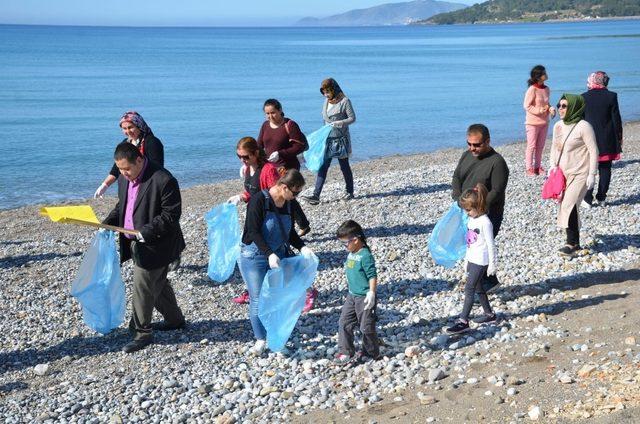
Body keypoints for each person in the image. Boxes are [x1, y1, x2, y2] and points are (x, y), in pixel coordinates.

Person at [103, 142, 186, 353]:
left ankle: (142, 332)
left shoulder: (164, 179)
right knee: (158, 283)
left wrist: (145, 232)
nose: (123, 173)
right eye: (120, 169)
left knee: (142, 286)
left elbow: (171, 216)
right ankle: (175, 320)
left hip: (158, 244)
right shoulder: (125, 178)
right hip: (133, 242)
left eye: (127, 169)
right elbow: (123, 205)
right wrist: (106, 224)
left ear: (139, 159)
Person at [228, 138, 318, 311]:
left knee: (281, 260)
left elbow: (278, 196)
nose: (242, 160)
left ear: (255, 153)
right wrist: (241, 197)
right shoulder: (248, 169)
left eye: (245, 157)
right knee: (252, 258)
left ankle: (308, 290)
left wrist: (299, 225)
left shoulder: (268, 170)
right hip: (257, 216)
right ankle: (252, 289)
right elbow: (251, 191)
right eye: (239, 157)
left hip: (270, 219)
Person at [237, 169, 314, 355]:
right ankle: (260, 339)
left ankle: (276, 337)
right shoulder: (259, 200)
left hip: (279, 256)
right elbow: (253, 231)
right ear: (283, 187)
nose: (296, 196)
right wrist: (268, 253)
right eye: (295, 192)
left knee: (277, 298)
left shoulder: (289, 203)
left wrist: (302, 247)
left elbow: (290, 232)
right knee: (257, 298)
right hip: (254, 256)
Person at [451, 123, 509, 292]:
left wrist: (479, 209)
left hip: (488, 215)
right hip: (467, 211)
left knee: (480, 249)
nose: (472, 148)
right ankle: (488, 283)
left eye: (477, 145)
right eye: (469, 144)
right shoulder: (466, 155)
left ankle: (481, 287)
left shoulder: (497, 162)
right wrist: (458, 198)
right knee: (474, 247)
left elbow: (497, 191)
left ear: (488, 141)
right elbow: (456, 177)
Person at [550, 94, 598, 256]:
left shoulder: (584, 126)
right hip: (563, 174)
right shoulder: (558, 125)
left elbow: (593, 151)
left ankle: (571, 244)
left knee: (568, 205)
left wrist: (592, 174)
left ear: (574, 107)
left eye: (564, 106)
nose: (560, 109)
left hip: (580, 173)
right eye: (559, 105)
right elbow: (554, 147)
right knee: (565, 205)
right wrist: (552, 166)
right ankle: (575, 242)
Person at [447, 184, 497, 334]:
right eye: (465, 210)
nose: (466, 213)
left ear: (478, 206)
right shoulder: (471, 220)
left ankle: (463, 321)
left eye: (468, 210)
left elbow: (491, 245)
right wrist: (466, 261)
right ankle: (490, 315)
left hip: (481, 261)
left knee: (469, 288)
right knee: (478, 288)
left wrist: (492, 265)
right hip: (472, 259)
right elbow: (470, 243)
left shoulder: (485, 222)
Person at [302, 78, 355, 205]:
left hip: (341, 139)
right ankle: (316, 195)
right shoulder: (326, 102)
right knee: (323, 166)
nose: (326, 94)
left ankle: (350, 191)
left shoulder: (345, 101)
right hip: (327, 139)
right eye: (324, 92)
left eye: (328, 91)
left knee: (344, 166)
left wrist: (340, 122)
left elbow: (352, 118)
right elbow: (325, 120)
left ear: (334, 89)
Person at [335, 220, 379, 362]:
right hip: (352, 295)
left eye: (345, 243)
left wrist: (371, 293)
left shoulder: (365, 255)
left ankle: (371, 352)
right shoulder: (352, 252)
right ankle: (346, 351)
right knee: (344, 322)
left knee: (366, 326)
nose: (344, 246)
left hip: (364, 297)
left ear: (355, 240)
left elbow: (372, 275)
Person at [94, 111, 164, 198]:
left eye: (130, 127)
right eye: (124, 128)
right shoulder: (125, 143)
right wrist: (105, 185)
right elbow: (116, 168)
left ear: (139, 126)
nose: (128, 131)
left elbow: (157, 169)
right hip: (130, 186)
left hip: (148, 186)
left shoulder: (152, 142)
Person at [581, 71, 623, 207]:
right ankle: (602, 198)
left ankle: (587, 198)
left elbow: (580, 120)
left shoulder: (583, 97)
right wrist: (619, 137)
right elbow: (616, 119)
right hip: (607, 138)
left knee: (588, 169)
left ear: (592, 80)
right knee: (605, 169)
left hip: (588, 138)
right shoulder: (611, 96)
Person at [523, 65, 556, 176]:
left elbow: (546, 104)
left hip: (544, 122)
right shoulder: (532, 89)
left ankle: (537, 167)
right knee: (531, 146)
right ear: (538, 76)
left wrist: (551, 109)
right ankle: (529, 168)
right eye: (544, 73)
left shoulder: (546, 89)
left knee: (541, 146)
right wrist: (540, 110)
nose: (546, 74)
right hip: (532, 123)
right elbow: (526, 106)